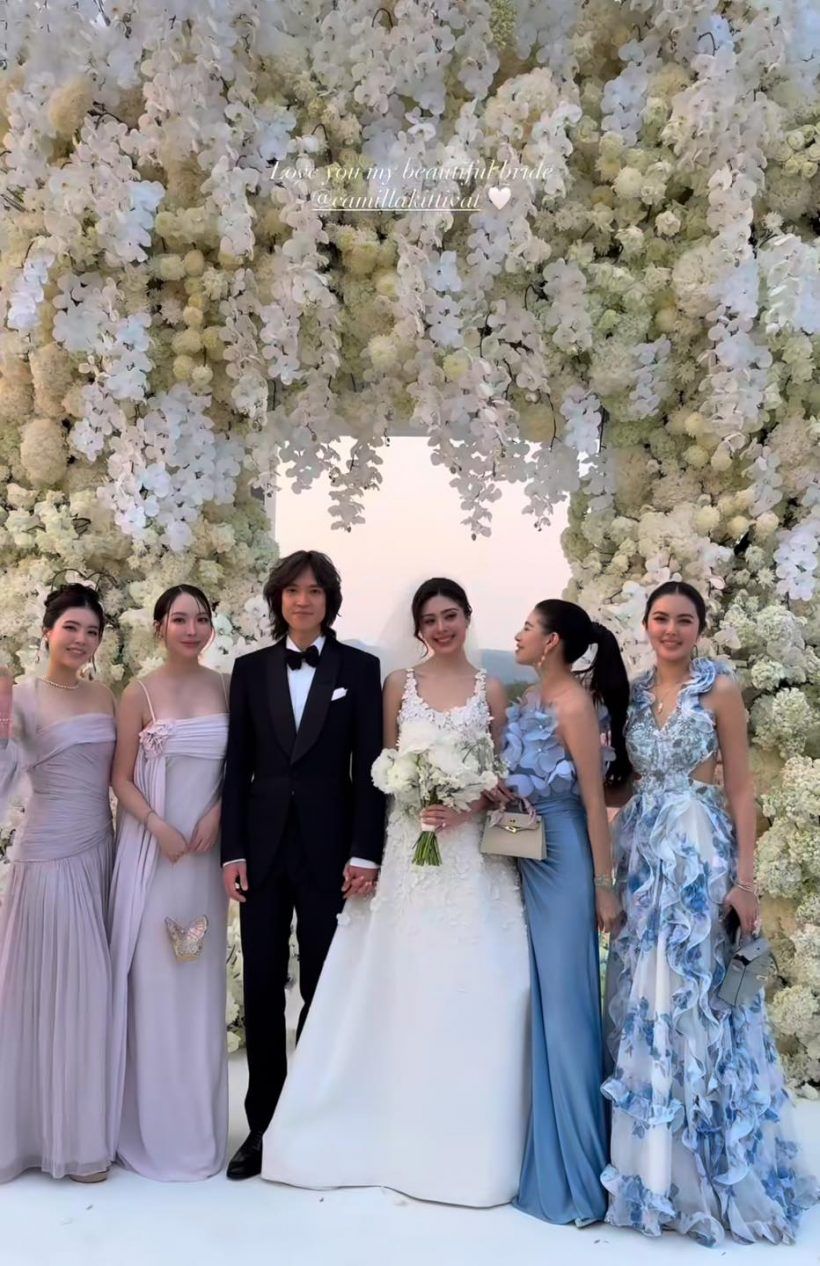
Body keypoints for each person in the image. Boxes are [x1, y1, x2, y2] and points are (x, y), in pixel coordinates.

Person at [261, 578, 530, 1207]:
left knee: (473, 978)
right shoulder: (397, 685)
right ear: (417, 629)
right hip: (410, 846)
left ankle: (465, 1138)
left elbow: (499, 776)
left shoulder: (490, 688)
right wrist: (388, 832)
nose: (441, 627)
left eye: (450, 615)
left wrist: (465, 806)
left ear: (468, 617)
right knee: (401, 974)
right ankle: (376, 1125)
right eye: (430, 619)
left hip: (469, 856)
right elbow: (380, 768)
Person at [602, 580, 818, 1244]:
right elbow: (619, 783)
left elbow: (742, 787)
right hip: (643, 854)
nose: (670, 629)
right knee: (647, 991)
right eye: (660, 618)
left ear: (700, 627)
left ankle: (710, 1167)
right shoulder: (635, 692)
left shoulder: (719, 690)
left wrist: (746, 882)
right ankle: (651, 1172)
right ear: (646, 624)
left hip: (699, 851)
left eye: (683, 620)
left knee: (696, 993)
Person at [221, 550, 385, 1181]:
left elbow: (370, 770)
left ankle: (315, 1120)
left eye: (315, 591)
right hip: (261, 852)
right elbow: (237, 767)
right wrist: (233, 851)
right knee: (262, 988)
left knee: (324, 985)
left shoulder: (359, 669)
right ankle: (263, 1128)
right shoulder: (250, 669)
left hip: (331, 852)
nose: (303, 600)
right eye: (292, 590)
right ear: (278, 599)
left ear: (329, 600)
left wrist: (365, 851)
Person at [503, 599, 629, 1227]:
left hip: (566, 861)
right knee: (542, 1003)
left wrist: (604, 887)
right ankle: (550, 1155)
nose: (518, 635)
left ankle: (581, 1177)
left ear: (552, 642)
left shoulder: (575, 706)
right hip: (525, 855)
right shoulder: (529, 701)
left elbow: (592, 802)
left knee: (568, 1008)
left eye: (528, 627)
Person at [108, 585, 229, 1181]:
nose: (191, 628)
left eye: (201, 618)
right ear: (159, 626)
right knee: (153, 981)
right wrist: (157, 825)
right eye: (179, 619)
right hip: (153, 855)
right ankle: (148, 1129)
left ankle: (197, 1130)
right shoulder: (139, 692)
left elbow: (242, 767)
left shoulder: (226, 687)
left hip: (206, 855)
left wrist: (218, 815)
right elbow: (120, 777)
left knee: (198, 983)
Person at [0, 583, 116, 1183]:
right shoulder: (20, 695)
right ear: (47, 630)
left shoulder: (105, 693)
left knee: (90, 994)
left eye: (91, 632)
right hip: (47, 856)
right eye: (71, 627)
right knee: (62, 990)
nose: (80, 640)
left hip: (102, 852)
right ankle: (44, 1141)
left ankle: (78, 1131)